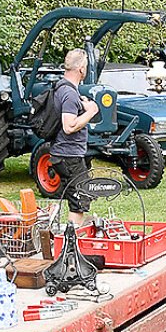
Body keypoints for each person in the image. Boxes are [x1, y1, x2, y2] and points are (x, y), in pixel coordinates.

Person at [50, 48, 99, 220]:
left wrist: (82, 104)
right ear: (81, 69)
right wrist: (91, 111)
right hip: (69, 155)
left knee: (76, 197)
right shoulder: (69, 93)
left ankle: (70, 234)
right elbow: (69, 126)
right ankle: (71, 243)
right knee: (79, 202)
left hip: (62, 153)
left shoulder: (63, 88)